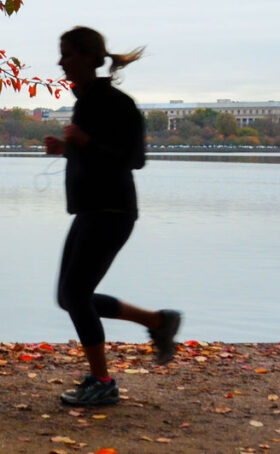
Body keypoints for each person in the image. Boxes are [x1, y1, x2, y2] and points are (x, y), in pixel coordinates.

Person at [44, 26, 181, 407]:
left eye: (67, 54)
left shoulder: (115, 102)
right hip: (92, 209)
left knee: (75, 294)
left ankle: (102, 381)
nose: (61, 62)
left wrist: (84, 143)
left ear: (89, 57)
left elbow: (132, 159)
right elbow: (96, 156)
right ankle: (158, 322)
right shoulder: (85, 100)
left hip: (112, 210)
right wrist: (66, 151)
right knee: (69, 296)